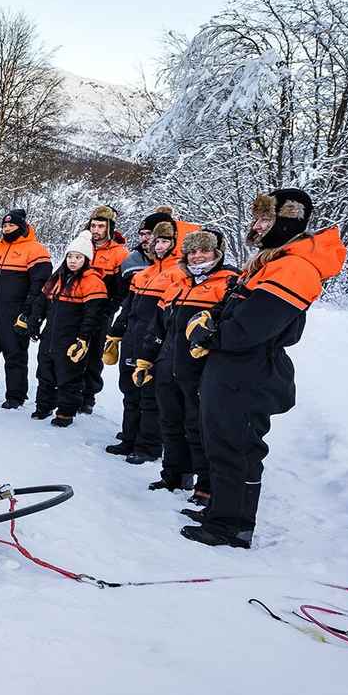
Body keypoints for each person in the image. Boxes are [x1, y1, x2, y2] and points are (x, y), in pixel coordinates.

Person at [182, 188, 346, 549]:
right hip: (231, 368)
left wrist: (211, 335)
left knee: (238, 447)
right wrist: (209, 322)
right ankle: (221, 512)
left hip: (249, 371)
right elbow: (233, 309)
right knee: (220, 442)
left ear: (287, 222)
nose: (256, 226)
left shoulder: (295, 267)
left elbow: (251, 327)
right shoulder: (270, 262)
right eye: (256, 218)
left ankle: (232, 526)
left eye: (265, 219)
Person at [140, 227, 237, 497]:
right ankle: (174, 475)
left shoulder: (229, 284)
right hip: (167, 366)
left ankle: (206, 486)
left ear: (217, 253)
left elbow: (230, 327)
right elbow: (158, 326)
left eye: (204, 250)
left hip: (200, 370)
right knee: (170, 423)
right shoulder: (178, 284)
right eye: (192, 251)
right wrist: (146, 359)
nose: (197, 256)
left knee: (199, 428)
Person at [105, 219, 181, 463]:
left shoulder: (178, 273)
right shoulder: (144, 273)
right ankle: (129, 438)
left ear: (175, 242)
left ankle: (148, 446)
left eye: (165, 241)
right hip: (132, 338)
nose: (159, 246)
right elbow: (128, 306)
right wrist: (116, 332)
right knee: (130, 391)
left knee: (150, 396)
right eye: (156, 241)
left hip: (155, 343)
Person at [0, 208, 52, 408]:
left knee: (15, 354)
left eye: (11, 225)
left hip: (15, 311)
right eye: (4, 225)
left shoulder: (35, 250)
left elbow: (39, 286)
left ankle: (15, 396)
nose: (6, 229)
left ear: (21, 227)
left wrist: (28, 312)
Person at [32, 232, 108, 427]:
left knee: (69, 375)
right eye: (70, 256)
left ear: (86, 260)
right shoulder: (57, 278)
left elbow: (93, 315)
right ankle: (43, 406)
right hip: (51, 334)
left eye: (78, 257)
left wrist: (83, 337)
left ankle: (65, 412)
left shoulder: (93, 281)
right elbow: (42, 302)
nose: (73, 261)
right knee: (45, 371)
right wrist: (35, 322)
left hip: (72, 337)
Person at [81, 205, 130, 413]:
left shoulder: (120, 253)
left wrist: (110, 308)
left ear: (109, 228)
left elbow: (122, 288)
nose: (96, 230)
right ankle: (68, 389)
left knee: (94, 352)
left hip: (101, 309)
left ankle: (88, 395)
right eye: (93, 225)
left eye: (101, 226)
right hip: (77, 306)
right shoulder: (82, 245)